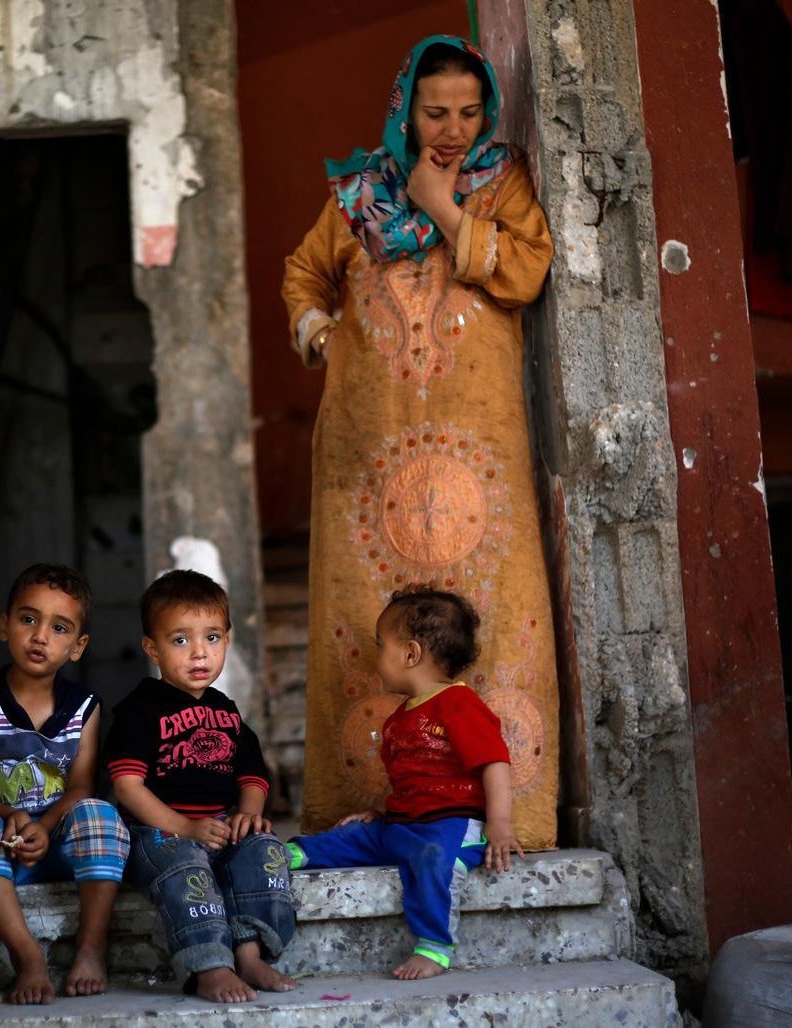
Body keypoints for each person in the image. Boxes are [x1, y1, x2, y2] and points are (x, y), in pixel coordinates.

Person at [281, 34, 559, 847]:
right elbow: (303, 272)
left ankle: (510, 814)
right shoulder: (358, 196)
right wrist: (320, 330)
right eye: (435, 112)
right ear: (407, 109)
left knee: (492, 613)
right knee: (370, 620)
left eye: (469, 113)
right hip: (367, 449)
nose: (452, 129)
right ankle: (370, 803)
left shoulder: (501, 183)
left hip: (482, 438)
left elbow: (526, 272)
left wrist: (441, 204)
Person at [287, 586, 523, 980]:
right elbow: (410, 779)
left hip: (450, 825)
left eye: (381, 645)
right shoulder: (399, 718)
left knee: (433, 859)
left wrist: (500, 824)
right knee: (356, 834)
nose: (375, 656)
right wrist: (380, 809)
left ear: (411, 653)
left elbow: (494, 762)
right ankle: (292, 856)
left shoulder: (458, 703)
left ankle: (435, 946)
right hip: (404, 824)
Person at [105, 570, 296, 1004]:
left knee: (265, 848)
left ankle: (250, 951)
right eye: (180, 640)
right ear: (151, 648)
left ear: (227, 640)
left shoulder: (225, 710)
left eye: (212, 637)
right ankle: (210, 963)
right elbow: (128, 786)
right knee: (188, 869)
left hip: (221, 824)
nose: (199, 653)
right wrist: (185, 827)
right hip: (161, 831)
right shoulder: (139, 709)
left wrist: (249, 811)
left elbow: (252, 773)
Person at [0, 564, 129, 1005]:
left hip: (65, 846)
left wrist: (46, 826)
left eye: (59, 627)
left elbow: (82, 786)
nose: (40, 636)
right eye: (28, 619)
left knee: (100, 813)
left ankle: (90, 948)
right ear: (4, 625)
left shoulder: (84, 707)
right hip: (1, 849)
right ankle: (27, 957)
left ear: (77, 647)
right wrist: (11, 815)